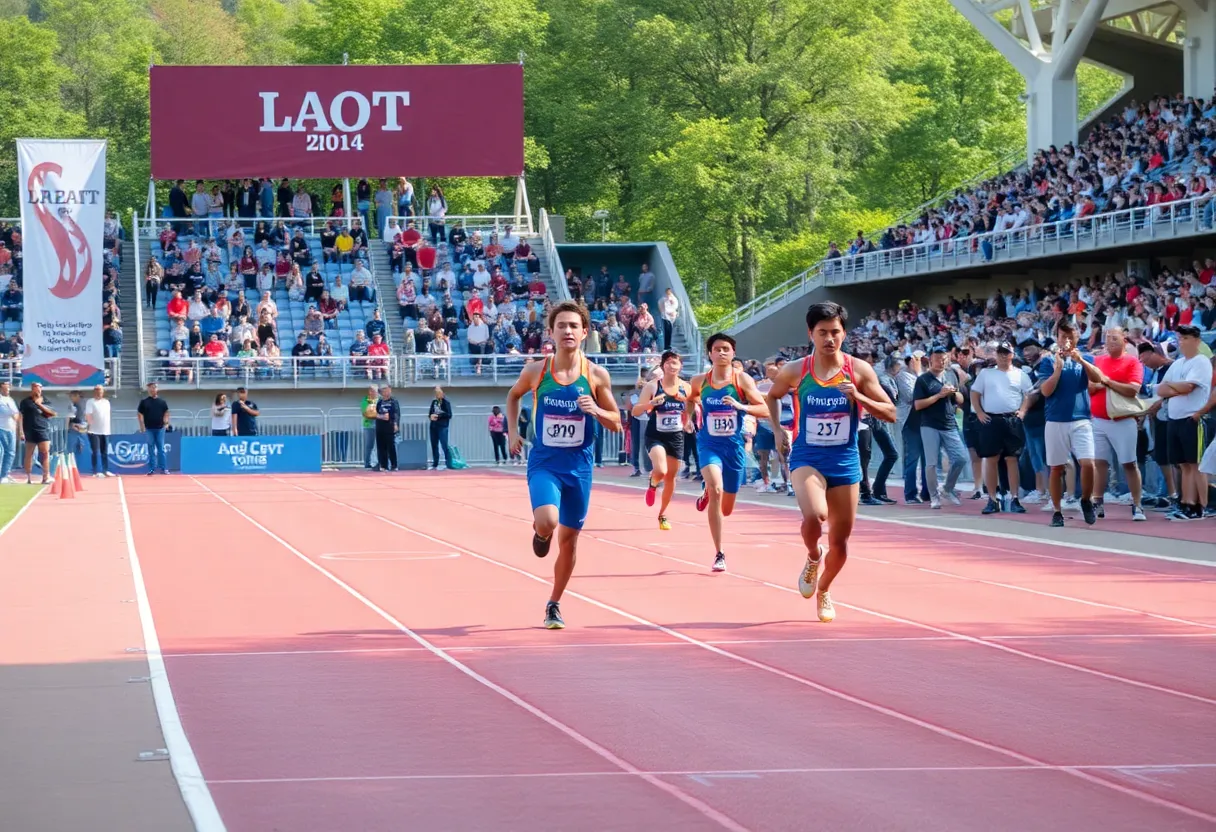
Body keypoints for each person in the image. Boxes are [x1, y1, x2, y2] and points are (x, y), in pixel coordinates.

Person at [767, 302, 895, 623]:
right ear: (810, 334)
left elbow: (890, 412)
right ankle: (813, 556)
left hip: (845, 460)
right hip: (807, 456)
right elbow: (772, 396)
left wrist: (859, 398)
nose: (829, 339)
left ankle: (824, 588)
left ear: (844, 333)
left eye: (835, 332)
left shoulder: (858, 370)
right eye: (822, 332)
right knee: (815, 514)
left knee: (841, 543)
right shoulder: (796, 370)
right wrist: (778, 430)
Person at [507, 301, 621, 629]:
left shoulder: (596, 375)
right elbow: (513, 396)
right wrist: (514, 431)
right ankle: (541, 532)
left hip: (580, 467)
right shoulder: (536, 371)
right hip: (545, 462)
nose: (567, 331)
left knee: (570, 541)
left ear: (585, 333)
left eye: (574, 326)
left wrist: (596, 411)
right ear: (551, 332)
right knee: (548, 521)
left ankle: (554, 603)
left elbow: (616, 423)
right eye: (561, 326)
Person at [685, 333, 770, 573]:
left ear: (733, 354)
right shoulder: (699, 380)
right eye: (717, 349)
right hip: (708, 445)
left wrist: (741, 406)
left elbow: (764, 409)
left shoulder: (741, 380)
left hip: (733, 448)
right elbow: (691, 399)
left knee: (727, 508)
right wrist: (687, 418)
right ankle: (719, 552)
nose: (722, 353)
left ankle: (709, 491)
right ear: (710, 354)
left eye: (726, 349)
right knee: (717, 490)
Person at [1038, 321, 1104, 527]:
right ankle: (1057, 511)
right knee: (1057, 468)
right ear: (1057, 338)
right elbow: (1045, 391)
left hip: (1081, 419)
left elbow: (1099, 379)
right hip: (1055, 420)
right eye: (1062, 336)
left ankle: (1086, 499)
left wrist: (1082, 361)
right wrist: (1058, 370)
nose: (1066, 341)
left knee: (1088, 463)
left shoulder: (1086, 358)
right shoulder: (1049, 361)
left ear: (1077, 337)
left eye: (1070, 336)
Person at [1089, 327, 1147, 521]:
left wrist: (1107, 382)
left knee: (1129, 463)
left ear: (1124, 340)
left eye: (1114, 338)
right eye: (1107, 338)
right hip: (1098, 419)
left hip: (1123, 420)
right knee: (1099, 463)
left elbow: (1133, 389)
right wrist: (1102, 384)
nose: (1110, 341)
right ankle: (1097, 500)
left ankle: (1137, 504)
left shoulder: (1132, 362)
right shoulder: (1097, 361)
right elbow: (1089, 387)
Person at [1155, 325, 1212, 520]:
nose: (1182, 342)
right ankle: (1187, 503)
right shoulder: (1178, 364)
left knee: (1196, 464)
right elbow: (1161, 390)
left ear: (1196, 340)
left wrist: (1173, 387)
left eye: (1186, 338)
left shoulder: (1201, 362)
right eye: (1180, 338)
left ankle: (1200, 506)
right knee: (1183, 464)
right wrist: (1174, 387)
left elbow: (1189, 387)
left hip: (1192, 418)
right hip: (1175, 419)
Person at [970, 342, 1033, 515]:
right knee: (991, 458)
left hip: (1012, 419)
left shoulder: (1020, 374)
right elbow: (975, 393)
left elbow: (1029, 394)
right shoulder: (986, 373)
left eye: (1007, 353)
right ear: (996, 355)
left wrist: (1022, 411)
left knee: (1012, 459)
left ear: (1012, 355)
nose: (1004, 356)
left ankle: (1014, 498)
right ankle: (992, 498)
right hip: (992, 419)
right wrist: (980, 412)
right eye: (1001, 353)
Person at [632, 351, 689, 529]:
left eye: (675, 363)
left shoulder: (686, 388)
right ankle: (652, 483)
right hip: (655, 435)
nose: (672, 366)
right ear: (663, 366)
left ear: (681, 366)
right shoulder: (652, 386)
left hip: (676, 436)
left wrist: (686, 404)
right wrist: (652, 403)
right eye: (669, 363)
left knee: (671, 477)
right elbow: (636, 411)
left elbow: (693, 410)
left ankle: (662, 514)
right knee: (661, 470)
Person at [18, 383, 55, 485]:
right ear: (32, 390)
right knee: (29, 454)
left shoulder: (46, 401)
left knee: (45, 453)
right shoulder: (25, 402)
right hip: (29, 431)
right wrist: (21, 431)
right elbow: (20, 416)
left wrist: (39, 404)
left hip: (43, 430)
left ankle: (46, 477)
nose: (37, 391)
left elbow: (52, 414)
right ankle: (28, 477)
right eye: (35, 389)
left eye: (39, 389)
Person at [137, 383, 171, 475]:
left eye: (154, 388)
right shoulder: (144, 402)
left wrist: (166, 422)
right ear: (148, 390)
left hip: (160, 428)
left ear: (157, 389)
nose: (153, 390)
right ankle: (152, 469)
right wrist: (142, 426)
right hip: (149, 429)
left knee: (161, 449)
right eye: (151, 388)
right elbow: (140, 414)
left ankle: (163, 468)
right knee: (150, 448)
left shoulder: (162, 402)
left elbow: (166, 412)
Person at [84, 385, 114, 477]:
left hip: (105, 431)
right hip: (94, 431)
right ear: (94, 391)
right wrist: (89, 426)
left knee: (104, 452)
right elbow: (88, 415)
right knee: (95, 451)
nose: (99, 392)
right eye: (97, 390)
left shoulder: (106, 402)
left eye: (100, 390)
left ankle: (105, 470)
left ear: (103, 392)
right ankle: (95, 471)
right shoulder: (90, 402)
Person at [374, 384, 401, 472]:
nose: (386, 392)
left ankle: (394, 465)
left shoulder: (393, 401)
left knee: (391, 446)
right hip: (380, 426)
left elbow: (397, 413)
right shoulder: (380, 401)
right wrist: (380, 416)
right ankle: (383, 465)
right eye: (384, 390)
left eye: (387, 390)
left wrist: (396, 424)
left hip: (389, 426)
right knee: (381, 447)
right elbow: (376, 412)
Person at [428, 385, 452, 470]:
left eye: (438, 392)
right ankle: (435, 463)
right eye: (436, 393)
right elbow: (430, 412)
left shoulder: (446, 402)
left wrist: (438, 416)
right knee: (434, 445)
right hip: (433, 426)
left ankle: (448, 462)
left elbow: (449, 414)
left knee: (444, 444)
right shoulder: (434, 402)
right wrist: (431, 416)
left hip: (442, 426)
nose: (437, 394)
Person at [0, 381, 19, 483]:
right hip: (1, 429)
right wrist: (12, 413)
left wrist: (13, 414)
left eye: (8, 388)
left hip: (11, 429)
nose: (7, 390)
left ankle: (5, 475)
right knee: (1, 452)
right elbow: (8, 412)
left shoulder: (10, 400)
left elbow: (16, 414)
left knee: (10, 453)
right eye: (5, 388)